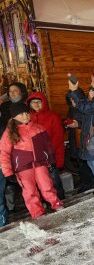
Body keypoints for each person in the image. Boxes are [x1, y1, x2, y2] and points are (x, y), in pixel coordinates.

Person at [0, 103, 63, 219]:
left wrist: (51, 161)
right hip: (23, 167)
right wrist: (8, 172)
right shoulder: (9, 133)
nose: (25, 116)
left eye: (26, 112)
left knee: (47, 185)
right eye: (21, 114)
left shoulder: (38, 128)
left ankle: (56, 204)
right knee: (29, 190)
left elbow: (48, 146)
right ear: (14, 116)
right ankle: (37, 212)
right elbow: (4, 153)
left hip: (40, 163)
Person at [27, 92, 65, 200]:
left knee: (53, 178)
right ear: (29, 104)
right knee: (40, 180)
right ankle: (48, 201)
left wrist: (48, 152)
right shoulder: (27, 118)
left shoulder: (53, 116)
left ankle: (60, 198)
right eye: (33, 102)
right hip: (34, 155)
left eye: (39, 101)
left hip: (50, 153)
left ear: (44, 103)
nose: (36, 104)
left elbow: (58, 136)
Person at [0, 82, 28, 213]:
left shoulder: (27, 105)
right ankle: (11, 206)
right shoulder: (4, 107)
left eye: (15, 90)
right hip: (7, 142)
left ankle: (30, 200)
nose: (12, 93)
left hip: (24, 146)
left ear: (22, 92)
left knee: (27, 174)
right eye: (10, 91)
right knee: (9, 177)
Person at [65, 89, 94, 193]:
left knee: (88, 163)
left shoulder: (86, 107)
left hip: (86, 140)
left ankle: (91, 183)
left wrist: (78, 124)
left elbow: (91, 122)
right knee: (81, 163)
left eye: (74, 99)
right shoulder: (71, 109)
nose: (73, 102)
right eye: (71, 100)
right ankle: (86, 182)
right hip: (76, 139)